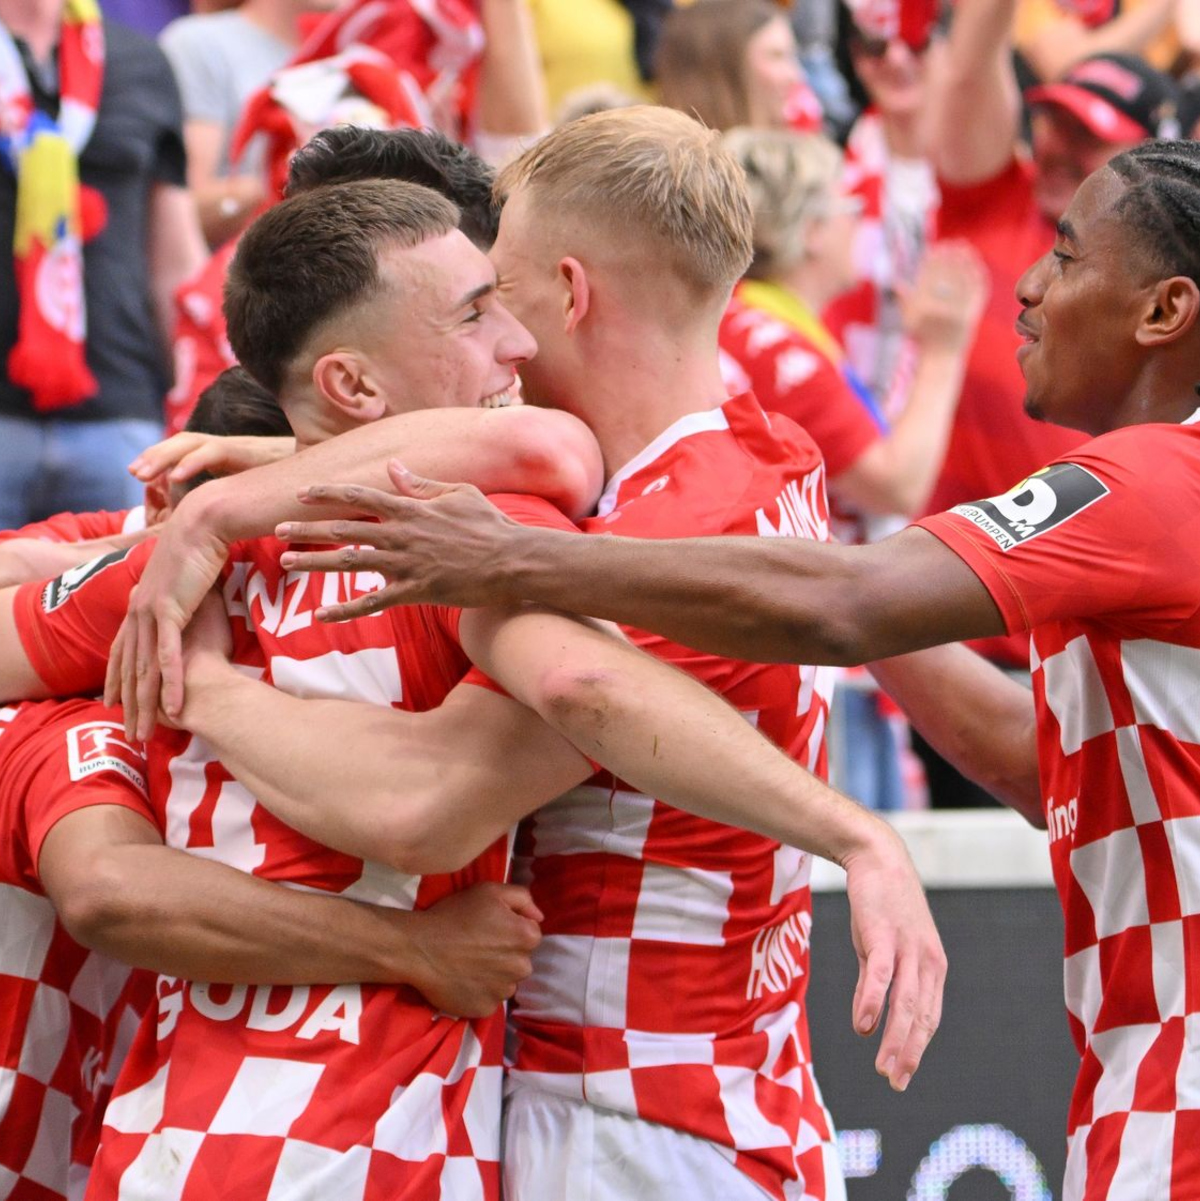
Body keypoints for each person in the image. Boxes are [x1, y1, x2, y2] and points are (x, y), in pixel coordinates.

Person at [282, 140, 1200, 1201]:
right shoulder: (756, 467)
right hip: (997, 1091)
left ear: (1166, 311)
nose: (1028, 284)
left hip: (640, 1120)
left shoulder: (1154, 480)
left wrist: (511, 559)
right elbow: (1031, 764)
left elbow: (430, 798)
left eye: (1069, 257)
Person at [11, 172, 941, 1199]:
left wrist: (182, 612)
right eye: (476, 310)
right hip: (381, 1151)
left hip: (169, 1145)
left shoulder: (176, 572)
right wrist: (855, 833)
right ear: (356, 384)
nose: (519, 344)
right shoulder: (481, 539)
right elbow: (554, 702)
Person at [0, 0, 206, 528]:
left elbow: (176, 259)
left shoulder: (140, 60)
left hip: (121, 407)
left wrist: (204, 408)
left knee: (115, 603)